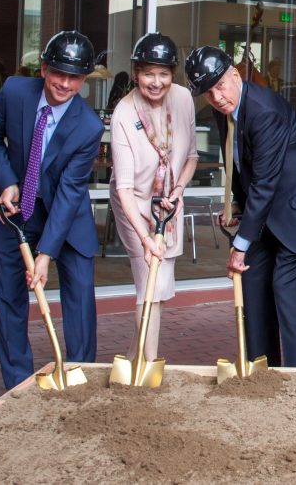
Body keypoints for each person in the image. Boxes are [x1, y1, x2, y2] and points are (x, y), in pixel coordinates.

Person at [185, 46, 296, 368]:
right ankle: (261, 374)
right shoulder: (223, 107)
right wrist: (237, 205)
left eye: (220, 85)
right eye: (208, 92)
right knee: (254, 285)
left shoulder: (263, 110)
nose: (216, 96)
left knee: (287, 293)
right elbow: (241, 162)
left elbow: (265, 182)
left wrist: (240, 246)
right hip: (270, 211)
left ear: (234, 74)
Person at [0, 31, 102, 389]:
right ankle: (18, 382)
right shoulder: (15, 91)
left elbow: (69, 192)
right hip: (15, 211)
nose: (64, 84)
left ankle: (80, 376)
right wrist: (6, 181)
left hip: (66, 218)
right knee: (11, 299)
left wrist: (46, 253)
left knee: (79, 298)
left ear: (84, 80)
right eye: (58, 74)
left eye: (74, 78)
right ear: (44, 68)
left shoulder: (89, 126)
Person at [109, 33, 199, 362]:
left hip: (168, 206)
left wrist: (177, 191)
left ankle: (133, 358)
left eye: (163, 74)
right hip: (133, 204)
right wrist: (144, 236)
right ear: (136, 73)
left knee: (157, 289)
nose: (156, 82)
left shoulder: (184, 99)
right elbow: (123, 186)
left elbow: (190, 157)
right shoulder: (123, 114)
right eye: (148, 74)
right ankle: (149, 368)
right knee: (149, 284)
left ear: (172, 75)